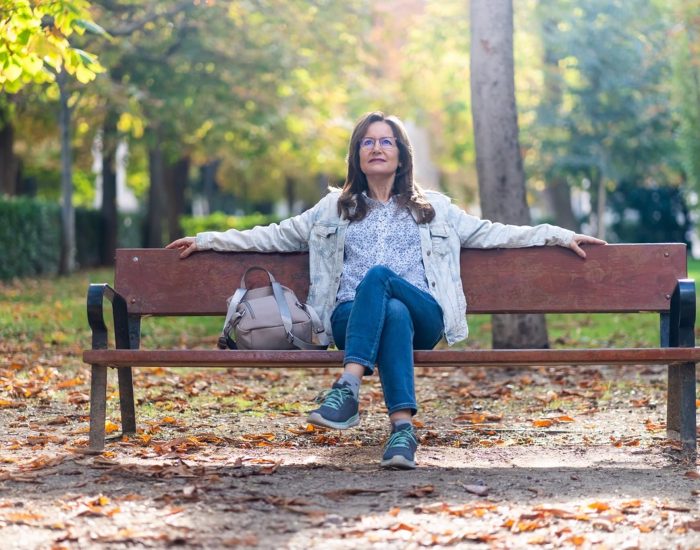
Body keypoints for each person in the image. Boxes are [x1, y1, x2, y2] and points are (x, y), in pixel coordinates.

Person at [167, 111, 605, 470]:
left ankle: (348, 386)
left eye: (386, 142)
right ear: (357, 155)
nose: (376, 148)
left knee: (382, 280)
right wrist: (208, 239)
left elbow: (493, 233)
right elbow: (273, 235)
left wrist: (556, 235)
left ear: (401, 156)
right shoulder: (333, 209)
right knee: (388, 311)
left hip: (425, 316)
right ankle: (401, 433)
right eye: (368, 142)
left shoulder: (435, 209)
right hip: (349, 317)